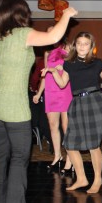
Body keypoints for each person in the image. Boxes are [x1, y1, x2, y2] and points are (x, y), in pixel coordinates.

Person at [0, 0, 77, 203]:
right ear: (22, 13)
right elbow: (54, 37)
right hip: (13, 104)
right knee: (19, 157)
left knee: (0, 154)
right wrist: (66, 14)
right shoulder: (22, 33)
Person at [42, 31, 102, 194]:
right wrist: (54, 72)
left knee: (93, 145)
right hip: (76, 104)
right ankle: (81, 178)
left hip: (94, 103)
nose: (82, 46)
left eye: (85, 44)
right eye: (79, 43)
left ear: (91, 46)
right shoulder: (68, 64)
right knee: (69, 144)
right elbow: (62, 84)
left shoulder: (97, 63)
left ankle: (97, 179)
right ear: (74, 46)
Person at [33, 31, 73, 174]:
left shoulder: (68, 47)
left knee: (66, 126)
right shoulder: (47, 52)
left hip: (64, 89)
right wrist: (39, 92)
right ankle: (57, 156)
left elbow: (72, 67)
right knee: (52, 125)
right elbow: (45, 74)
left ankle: (70, 159)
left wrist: (64, 67)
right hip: (50, 91)